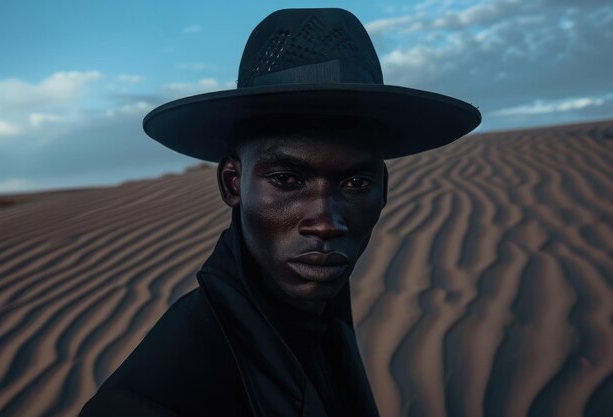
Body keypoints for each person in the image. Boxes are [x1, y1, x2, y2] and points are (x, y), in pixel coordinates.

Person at [79, 8, 480, 417]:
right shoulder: (160, 395)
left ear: (385, 190)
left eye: (355, 184)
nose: (326, 222)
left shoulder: (319, 323)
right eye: (288, 180)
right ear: (233, 184)